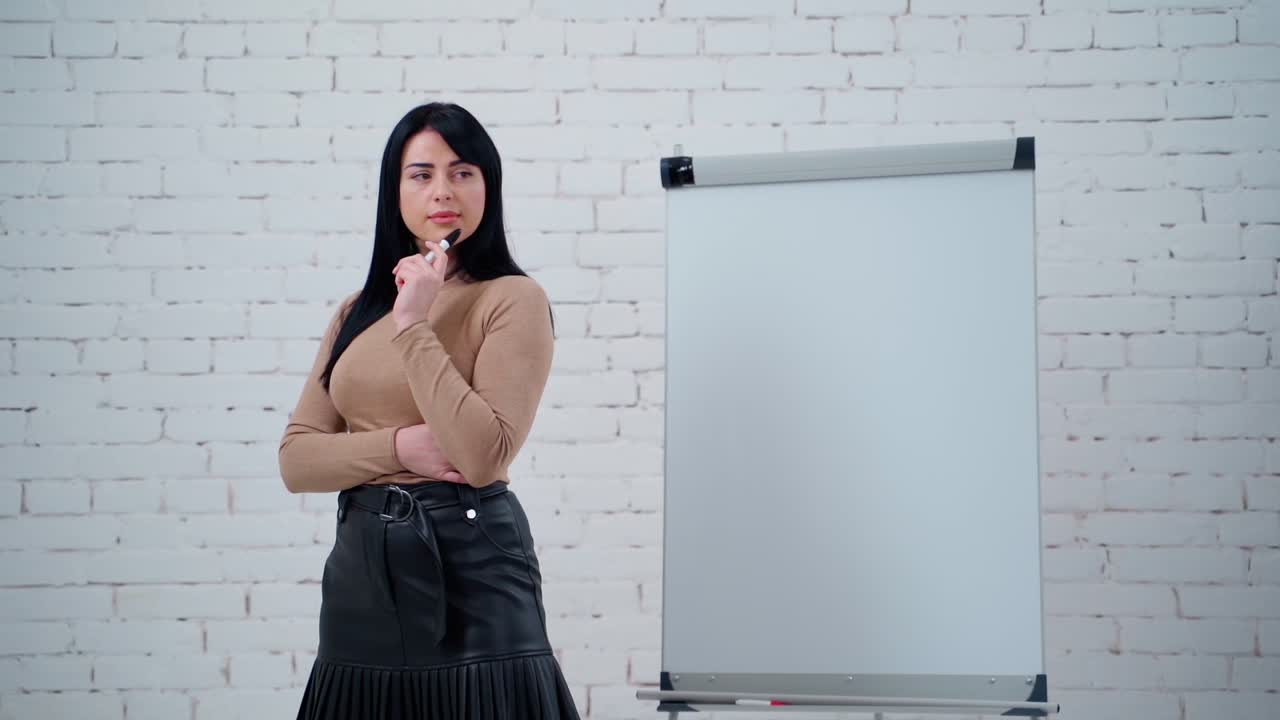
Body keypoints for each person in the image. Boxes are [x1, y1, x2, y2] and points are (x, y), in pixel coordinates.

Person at [278, 102, 579, 719]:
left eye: (463, 171)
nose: (443, 190)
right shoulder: (356, 310)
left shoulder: (512, 298)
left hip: (473, 567)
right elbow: (298, 459)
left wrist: (414, 322)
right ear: (396, 191)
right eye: (421, 174)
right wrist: (400, 449)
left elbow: (481, 454)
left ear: (487, 188)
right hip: (362, 576)